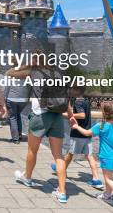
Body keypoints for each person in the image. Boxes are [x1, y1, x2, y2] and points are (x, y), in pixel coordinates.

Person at [14, 61, 73, 204]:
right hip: (57, 116)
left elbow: (13, 72)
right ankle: (62, 192)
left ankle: (27, 177)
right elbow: (66, 99)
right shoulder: (59, 75)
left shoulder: (35, 73)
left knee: (32, 150)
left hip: (40, 115)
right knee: (58, 155)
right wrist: (70, 115)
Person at [71, 101, 113, 213]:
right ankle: (107, 195)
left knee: (108, 179)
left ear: (105, 114)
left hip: (107, 157)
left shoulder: (101, 126)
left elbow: (86, 133)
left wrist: (76, 126)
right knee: (109, 177)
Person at [50, 85, 104, 190]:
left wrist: (66, 115)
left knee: (70, 154)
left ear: (77, 90)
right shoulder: (86, 101)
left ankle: (60, 169)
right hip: (86, 134)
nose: (70, 91)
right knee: (89, 156)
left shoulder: (79, 102)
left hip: (78, 133)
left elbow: (82, 115)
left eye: (72, 89)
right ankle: (96, 179)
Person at [3, 66, 30, 143]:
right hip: (23, 100)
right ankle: (20, 135)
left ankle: (15, 138)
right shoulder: (27, 75)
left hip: (12, 99)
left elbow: (7, 88)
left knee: (13, 118)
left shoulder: (12, 74)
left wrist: (4, 98)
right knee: (18, 115)